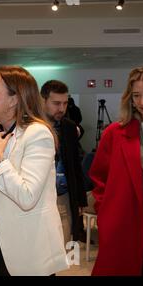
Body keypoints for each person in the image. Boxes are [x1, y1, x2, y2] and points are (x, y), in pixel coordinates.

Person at [0, 65, 68, 276]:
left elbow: (27, 196)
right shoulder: (0, 134)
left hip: (28, 248)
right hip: (0, 242)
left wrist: (1, 159)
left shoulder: (37, 134)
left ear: (14, 99)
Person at [89, 65, 143, 276]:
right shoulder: (115, 133)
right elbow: (99, 176)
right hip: (125, 224)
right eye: (136, 96)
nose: (142, 102)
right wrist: (105, 211)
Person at [40, 80, 87, 245]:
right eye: (56, 103)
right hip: (39, 198)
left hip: (64, 197)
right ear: (43, 100)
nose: (61, 108)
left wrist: (80, 199)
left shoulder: (69, 127)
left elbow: (75, 165)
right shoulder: (32, 127)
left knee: (62, 249)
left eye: (65, 103)